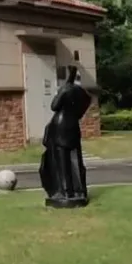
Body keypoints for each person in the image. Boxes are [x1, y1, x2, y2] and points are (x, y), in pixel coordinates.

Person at [38, 65, 92, 208]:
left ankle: (66, 191)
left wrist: (61, 92)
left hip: (60, 126)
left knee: (62, 161)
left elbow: (54, 106)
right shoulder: (81, 92)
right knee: (76, 158)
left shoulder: (66, 89)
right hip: (73, 126)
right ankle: (80, 190)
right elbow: (86, 103)